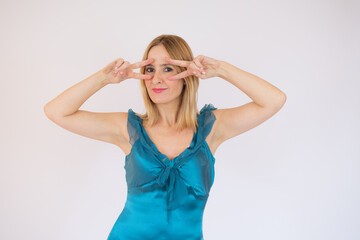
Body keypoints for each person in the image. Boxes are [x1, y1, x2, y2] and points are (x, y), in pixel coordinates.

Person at [44, 34, 286, 240]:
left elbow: (273, 101)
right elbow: (56, 112)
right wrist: (104, 78)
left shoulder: (212, 128)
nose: (156, 78)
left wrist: (221, 69)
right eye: (150, 69)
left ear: (186, 74)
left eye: (167, 68)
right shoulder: (128, 129)